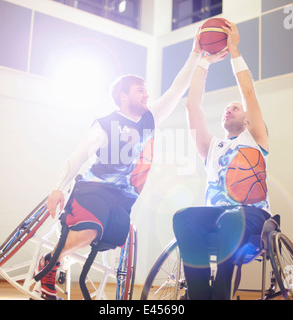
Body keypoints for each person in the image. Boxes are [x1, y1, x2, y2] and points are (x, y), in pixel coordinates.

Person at [34, 31, 204, 300]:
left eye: (146, 91)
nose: (147, 95)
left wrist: (196, 54)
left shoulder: (149, 119)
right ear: (124, 96)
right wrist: (57, 188)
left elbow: (176, 89)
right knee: (92, 228)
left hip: (123, 197)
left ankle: (58, 259)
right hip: (94, 188)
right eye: (140, 91)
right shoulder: (105, 123)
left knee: (111, 237)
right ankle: (51, 261)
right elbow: (77, 156)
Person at [172, 21, 271, 300]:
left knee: (232, 217)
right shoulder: (212, 146)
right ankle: (200, 294)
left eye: (235, 108)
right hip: (217, 218)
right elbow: (192, 106)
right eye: (226, 108)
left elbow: (248, 94)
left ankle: (221, 294)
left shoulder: (256, 139)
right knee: (184, 217)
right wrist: (203, 61)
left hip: (254, 217)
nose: (229, 110)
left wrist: (234, 50)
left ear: (248, 119)